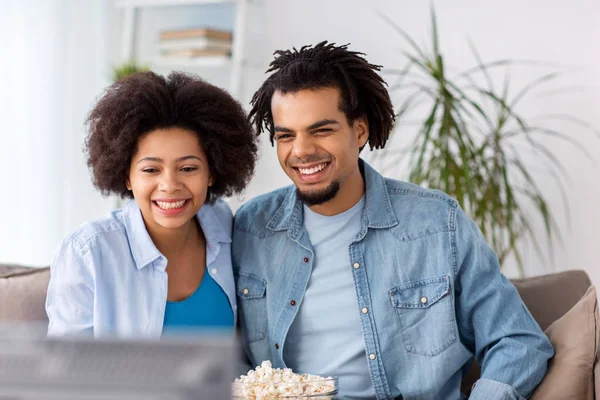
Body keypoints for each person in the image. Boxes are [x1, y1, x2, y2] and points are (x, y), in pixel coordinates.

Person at [232, 42, 553, 399]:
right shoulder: (251, 227)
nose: (301, 150)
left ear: (359, 131)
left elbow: (517, 340)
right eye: (285, 135)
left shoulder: (436, 223)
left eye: (321, 130)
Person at [46, 71, 258, 338]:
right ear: (126, 175)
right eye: (150, 170)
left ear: (212, 172)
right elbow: (68, 367)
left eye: (188, 167)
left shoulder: (225, 226)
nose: (170, 185)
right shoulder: (88, 252)